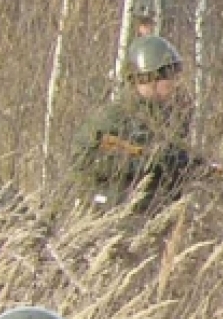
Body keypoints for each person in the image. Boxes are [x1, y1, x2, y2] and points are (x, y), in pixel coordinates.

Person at [73, 35, 200, 213]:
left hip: (156, 211)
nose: (176, 83)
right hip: (116, 212)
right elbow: (83, 160)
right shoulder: (114, 117)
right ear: (149, 79)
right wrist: (144, 161)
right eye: (169, 76)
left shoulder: (171, 117)